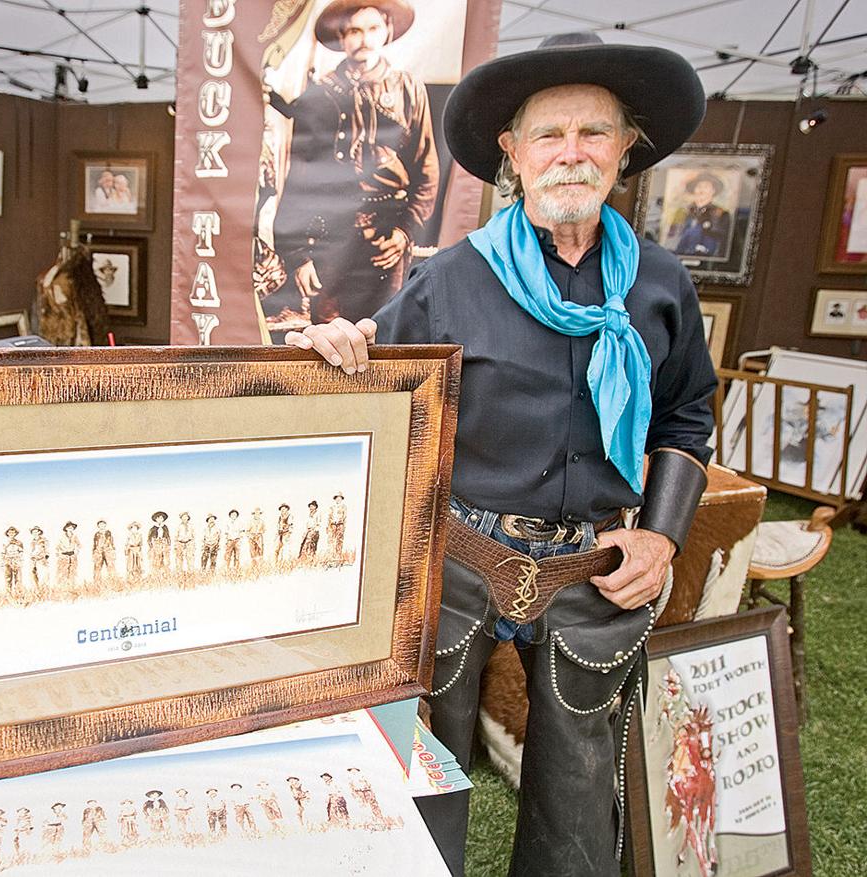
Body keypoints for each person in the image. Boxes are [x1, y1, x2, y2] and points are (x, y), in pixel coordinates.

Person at [287, 32, 715, 877]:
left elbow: (687, 418)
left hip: (593, 566)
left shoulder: (661, 285)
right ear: (512, 154)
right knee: (424, 773)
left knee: (579, 785)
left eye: (593, 132)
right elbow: (377, 374)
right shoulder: (450, 278)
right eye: (548, 135)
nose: (571, 153)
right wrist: (334, 345)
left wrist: (661, 535)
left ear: (627, 149)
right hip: (463, 558)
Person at [265, 0, 437, 327]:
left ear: (386, 32)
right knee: (328, 346)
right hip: (330, 238)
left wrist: (404, 231)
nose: (364, 39)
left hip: (387, 235)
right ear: (342, 38)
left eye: (372, 29)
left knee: (385, 339)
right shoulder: (320, 94)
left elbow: (426, 167)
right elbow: (300, 179)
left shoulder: (408, 88)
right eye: (354, 31)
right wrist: (300, 257)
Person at [668, 172, 731, 259]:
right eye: (699, 187)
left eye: (706, 187)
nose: (702, 190)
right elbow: (673, 235)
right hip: (680, 256)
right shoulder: (683, 211)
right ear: (694, 190)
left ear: (713, 191)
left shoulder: (721, 214)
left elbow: (721, 242)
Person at [56, 522, 80, 589]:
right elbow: (57, 547)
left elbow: (79, 545)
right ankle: (62, 587)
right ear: (66, 528)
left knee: (72, 571)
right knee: (63, 571)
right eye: (69, 527)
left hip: (72, 556)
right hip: (64, 556)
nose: (70, 529)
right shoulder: (61, 537)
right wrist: (59, 554)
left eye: (72, 528)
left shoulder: (75, 536)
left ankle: (71, 586)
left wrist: (76, 551)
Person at [1, 526, 24, 596]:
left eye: (13, 532)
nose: (11, 534)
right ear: (7, 533)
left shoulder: (19, 542)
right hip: (7, 561)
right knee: (8, 578)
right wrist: (3, 563)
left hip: (16, 561)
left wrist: (18, 559)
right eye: (10, 532)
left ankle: (18, 594)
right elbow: (2, 553)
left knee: (18, 578)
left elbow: (21, 552)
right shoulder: (5, 543)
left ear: (15, 533)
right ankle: (8, 594)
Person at [327, 492, 348, 558]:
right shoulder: (332, 507)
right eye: (337, 498)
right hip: (333, 525)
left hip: (340, 524)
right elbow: (329, 517)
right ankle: (331, 555)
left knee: (339, 540)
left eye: (339, 498)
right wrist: (328, 526)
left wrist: (343, 526)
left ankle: (338, 555)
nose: (338, 499)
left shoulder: (344, 507)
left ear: (341, 499)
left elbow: (345, 517)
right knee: (332, 540)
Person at [29, 526, 49, 593]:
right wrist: (32, 557)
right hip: (34, 560)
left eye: (36, 531)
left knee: (43, 575)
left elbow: (47, 550)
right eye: (33, 532)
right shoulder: (32, 542)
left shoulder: (44, 540)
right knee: (34, 576)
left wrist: (44, 557)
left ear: (39, 532)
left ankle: (44, 590)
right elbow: (31, 551)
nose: (35, 533)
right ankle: (36, 591)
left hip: (41, 560)